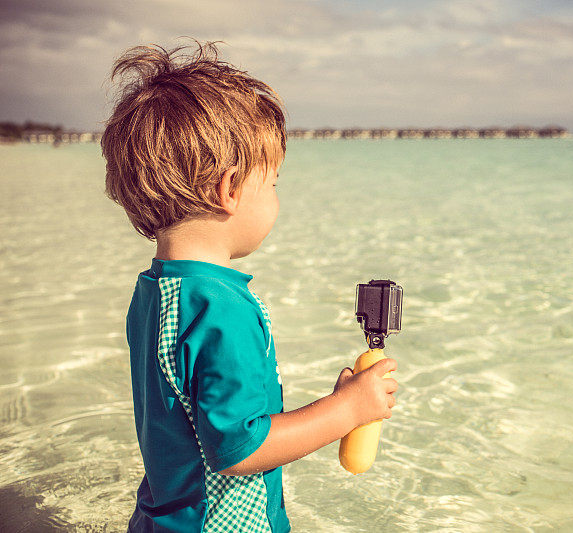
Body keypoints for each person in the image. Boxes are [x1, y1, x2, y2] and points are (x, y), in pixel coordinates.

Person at [101, 39, 398, 533]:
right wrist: (348, 409)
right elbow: (241, 450)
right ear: (231, 189)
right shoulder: (222, 309)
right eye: (274, 182)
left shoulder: (155, 291)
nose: (278, 197)